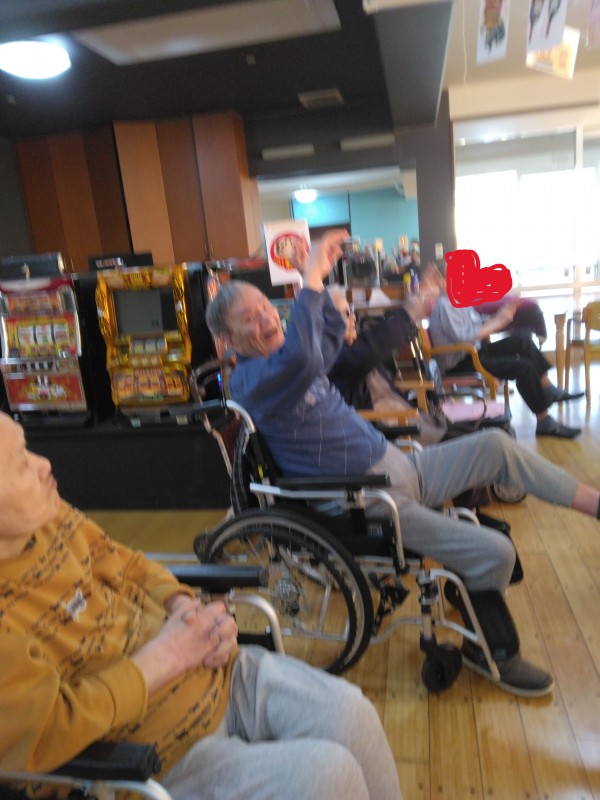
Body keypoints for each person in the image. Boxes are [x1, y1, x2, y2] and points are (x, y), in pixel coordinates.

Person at [205, 228, 600, 699]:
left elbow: (328, 346)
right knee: (496, 553)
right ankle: (491, 652)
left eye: (265, 307)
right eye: (248, 318)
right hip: (367, 499)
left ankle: (594, 505)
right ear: (227, 340)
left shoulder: (286, 363)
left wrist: (326, 293)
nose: (266, 317)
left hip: (396, 468)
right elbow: (306, 356)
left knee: (496, 445)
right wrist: (308, 278)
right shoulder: (252, 380)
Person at [0, 412, 402, 800]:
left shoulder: (51, 516)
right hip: (153, 754)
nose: (43, 463)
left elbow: (132, 566)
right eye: (20, 463)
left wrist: (186, 610)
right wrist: (169, 655)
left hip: (212, 672)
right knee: (326, 776)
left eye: (28, 449)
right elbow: (45, 734)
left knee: (352, 713)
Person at [428, 286, 583, 438]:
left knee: (523, 340)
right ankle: (544, 421)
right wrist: (498, 322)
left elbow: (478, 322)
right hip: (460, 363)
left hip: (474, 353)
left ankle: (547, 388)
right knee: (523, 367)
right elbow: (465, 338)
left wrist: (499, 315)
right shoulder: (445, 305)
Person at [326, 283, 448, 446]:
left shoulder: (350, 348)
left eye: (352, 311)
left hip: (413, 422)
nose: (353, 317)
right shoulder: (335, 358)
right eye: (347, 313)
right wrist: (408, 313)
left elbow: (376, 342)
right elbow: (376, 345)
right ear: (327, 323)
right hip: (397, 436)